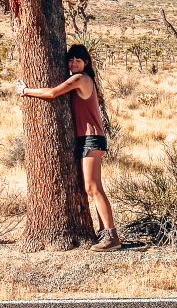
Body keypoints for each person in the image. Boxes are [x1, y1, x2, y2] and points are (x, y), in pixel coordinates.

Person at [16, 43, 121, 252]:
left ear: (86, 63)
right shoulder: (81, 79)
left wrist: (25, 91)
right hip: (87, 139)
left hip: (92, 139)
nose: (73, 63)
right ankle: (106, 233)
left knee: (93, 187)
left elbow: (53, 93)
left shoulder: (80, 79)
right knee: (91, 187)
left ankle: (112, 236)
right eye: (71, 59)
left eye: (78, 60)